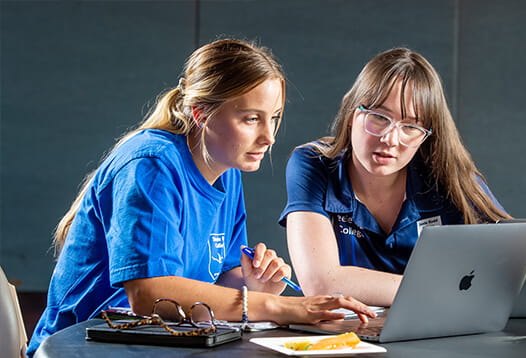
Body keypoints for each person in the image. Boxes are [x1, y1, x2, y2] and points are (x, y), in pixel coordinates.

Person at [28, 39, 374, 356]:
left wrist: (251, 283)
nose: (269, 137)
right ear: (201, 114)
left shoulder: (228, 170)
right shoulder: (151, 165)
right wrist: (279, 307)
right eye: (251, 119)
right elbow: (149, 295)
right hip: (88, 348)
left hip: (160, 345)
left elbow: (212, 280)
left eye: (274, 119)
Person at [279, 47, 512, 307]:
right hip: (348, 337)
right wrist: (447, 288)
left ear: (425, 136)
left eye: (411, 126)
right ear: (351, 115)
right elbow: (321, 283)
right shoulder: (313, 163)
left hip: (435, 334)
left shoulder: (448, 175)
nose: (390, 139)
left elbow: (514, 263)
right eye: (379, 117)